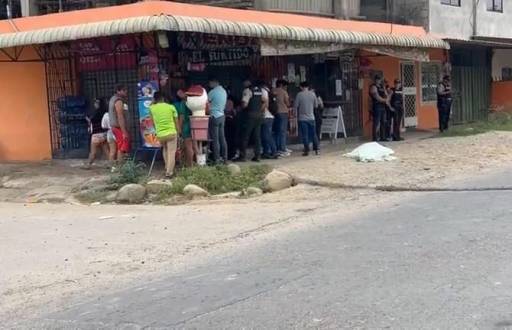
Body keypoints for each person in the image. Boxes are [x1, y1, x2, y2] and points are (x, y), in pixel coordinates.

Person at [234, 79, 267, 162]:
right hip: (259, 116)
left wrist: (239, 108)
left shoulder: (247, 91)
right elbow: (265, 101)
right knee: (257, 136)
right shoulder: (260, 90)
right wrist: (260, 109)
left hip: (249, 116)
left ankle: (242, 156)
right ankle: (257, 156)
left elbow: (245, 104)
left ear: (247, 83)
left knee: (245, 136)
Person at [149, 92, 180, 178]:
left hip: (160, 134)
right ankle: (169, 172)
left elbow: (153, 122)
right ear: (163, 98)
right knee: (171, 152)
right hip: (171, 133)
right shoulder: (171, 107)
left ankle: (167, 167)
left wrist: (153, 101)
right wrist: (178, 132)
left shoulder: (152, 108)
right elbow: (176, 122)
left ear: (155, 99)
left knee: (165, 149)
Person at [294, 81, 320, 156]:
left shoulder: (299, 95)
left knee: (305, 135)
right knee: (313, 134)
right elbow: (316, 106)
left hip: (302, 118)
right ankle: (317, 149)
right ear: (308, 87)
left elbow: (296, 105)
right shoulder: (313, 94)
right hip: (311, 117)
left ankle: (307, 150)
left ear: (301, 87)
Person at [208, 76, 228, 164]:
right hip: (222, 116)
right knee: (222, 138)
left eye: (210, 83)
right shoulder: (224, 91)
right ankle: (225, 158)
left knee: (215, 139)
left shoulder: (212, 92)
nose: (209, 85)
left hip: (214, 116)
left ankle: (216, 159)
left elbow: (206, 103)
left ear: (214, 82)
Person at [84, 98, 108, 168]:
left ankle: (88, 165)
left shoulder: (96, 113)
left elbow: (91, 121)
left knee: (93, 152)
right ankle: (112, 164)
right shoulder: (105, 112)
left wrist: (87, 119)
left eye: (96, 103)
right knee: (106, 151)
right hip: (104, 134)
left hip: (96, 134)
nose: (95, 104)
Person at [108, 85, 130, 162]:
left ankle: (113, 167)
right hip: (118, 128)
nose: (126, 92)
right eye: (124, 90)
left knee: (116, 149)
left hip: (115, 128)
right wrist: (124, 132)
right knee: (122, 148)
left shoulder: (112, 99)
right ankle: (120, 168)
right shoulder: (118, 101)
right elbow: (120, 116)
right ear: (118, 91)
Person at [175, 89, 196, 167]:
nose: (180, 95)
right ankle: (192, 163)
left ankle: (190, 166)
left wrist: (179, 128)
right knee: (193, 146)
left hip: (186, 126)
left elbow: (182, 117)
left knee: (188, 146)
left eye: (180, 93)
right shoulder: (192, 102)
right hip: (194, 124)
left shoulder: (183, 103)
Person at [272, 80, 291, 157]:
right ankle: (282, 148)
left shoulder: (272, 90)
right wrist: (289, 104)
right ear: (281, 85)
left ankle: (276, 148)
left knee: (276, 131)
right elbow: (287, 103)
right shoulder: (283, 92)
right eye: (285, 85)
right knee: (283, 131)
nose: (286, 87)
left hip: (274, 113)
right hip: (283, 112)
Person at [261, 83, 278, 159]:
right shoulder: (269, 92)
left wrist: (260, 110)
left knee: (267, 135)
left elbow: (266, 104)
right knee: (265, 135)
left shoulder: (263, 91)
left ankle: (274, 152)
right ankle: (266, 152)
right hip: (271, 116)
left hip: (266, 116)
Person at [369, 75, 388, 142]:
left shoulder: (381, 86)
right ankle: (375, 138)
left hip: (383, 106)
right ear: (375, 80)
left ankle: (383, 137)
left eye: (379, 79)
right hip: (377, 106)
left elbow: (386, 94)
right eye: (377, 79)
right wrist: (385, 100)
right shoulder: (373, 86)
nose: (378, 80)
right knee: (376, 123)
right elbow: (376, 96)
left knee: (383, 122)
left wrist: (384, 88)